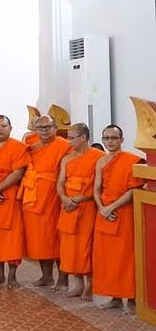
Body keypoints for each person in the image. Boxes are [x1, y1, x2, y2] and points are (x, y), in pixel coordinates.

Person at [92, 125, 144, 315]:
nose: (109, 142)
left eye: (114, 138)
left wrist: (111, 207)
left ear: (122, 140)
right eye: (106, 138)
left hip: (124, 214)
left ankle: (131, 299)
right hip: (104, 214)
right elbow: (96, 188)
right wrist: (101, 208)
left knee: (126, 258)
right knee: (107, 259)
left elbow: (134, 190)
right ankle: (114, 297)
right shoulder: (101, 161)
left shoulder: (133, 160)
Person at [19, 116, 71, 289]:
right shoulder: (31, 143)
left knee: (56, 239)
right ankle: (46, 276)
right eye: (40, 127)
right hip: (33, 197)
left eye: (48, 127)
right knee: (39, 239)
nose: (44, 130)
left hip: (54, 196)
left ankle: (63, 280)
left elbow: (70, 169)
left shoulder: (64, 145)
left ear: (55, 127)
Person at [56, 123, 104, 300]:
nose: (68, 141)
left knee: (87, 246)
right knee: (70, 247)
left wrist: (80, 198)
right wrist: (64, 198)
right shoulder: (67, 159)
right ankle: (78, 285)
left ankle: (90, 285)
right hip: (68, 207)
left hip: (87, 207)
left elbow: (100, 184)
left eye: (71, 137)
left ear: (83, 138)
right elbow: (60, 182)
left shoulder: (99, 157)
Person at [0, 116, 29, 288]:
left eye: (3, 126)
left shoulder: (18, 147)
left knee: (12, 236)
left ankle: (12, 276)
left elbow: (18, 172)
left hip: (10, 195)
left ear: (10, 127)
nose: (0, 129)